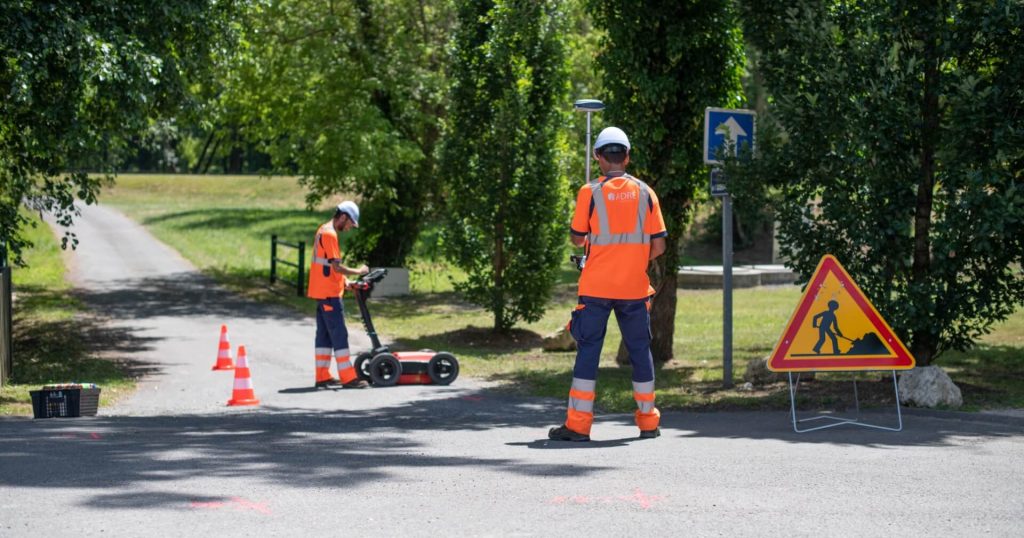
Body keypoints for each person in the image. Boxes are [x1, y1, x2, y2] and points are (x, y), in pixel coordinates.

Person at [548, 126, 668, 442]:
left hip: (596, 287)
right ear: (626, 157)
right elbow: (658, 246)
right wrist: (634, 261)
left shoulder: (589, 192)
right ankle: (648, 423)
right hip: (633, 288)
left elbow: (577, 238)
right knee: (641, 352)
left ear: (598, 157)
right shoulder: (646, 193)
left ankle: (578, 426)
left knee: (588, 352)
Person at [307, 201, 370, 389]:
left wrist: (345, 283)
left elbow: (327, 268)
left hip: (322, 292)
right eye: (350, 223)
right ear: (343, 216)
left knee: (325, 336)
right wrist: (359, 271)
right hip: (329, 294)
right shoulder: (330, 234)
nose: (350, 227)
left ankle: (322, 376)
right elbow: (336, 267)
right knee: (339, 335)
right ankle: (348, 378)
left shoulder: (323, 230)